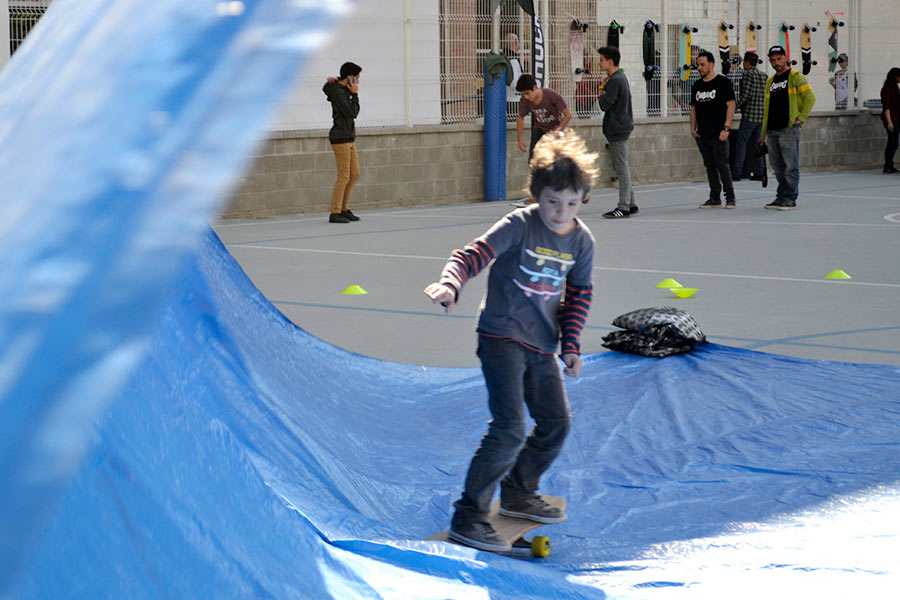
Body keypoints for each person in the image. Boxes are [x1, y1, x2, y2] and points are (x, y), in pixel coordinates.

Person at [423, 130, 597, 552]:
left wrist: (570, 346)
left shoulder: (581, 241)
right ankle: (469, 517)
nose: (560, 212)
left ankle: (519, 491)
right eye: (552, 201)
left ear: (582, 199)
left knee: (556, 422)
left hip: (542, 345)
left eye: (571, 203)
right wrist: (451, 284)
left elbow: (578, 295)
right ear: (537, 195)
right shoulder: (520, 224)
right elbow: (472, 254)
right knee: (510, 427)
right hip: (500, 336)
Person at [760, 45, 816, 210]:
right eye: (773, 60)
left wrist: (801, 118)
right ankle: (781, 195)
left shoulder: (795, 76)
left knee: (790, 165)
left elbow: (810, 97)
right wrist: (763, 132)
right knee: (777, 166)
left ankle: (790, 197)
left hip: (788, 129)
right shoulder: (770, 81)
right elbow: (767, 109)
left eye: (779, 59)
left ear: (785, 58)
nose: (776, 63)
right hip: (772, 129)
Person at [595, 45, 638, 219]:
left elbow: (604, 104)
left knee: (621, 168)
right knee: (621, 166)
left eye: (601, 60)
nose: (599, 63)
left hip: (618, 128)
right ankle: (631, 202)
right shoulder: (620, 77)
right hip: (620, 127)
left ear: (610, 61)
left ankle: (624, 206)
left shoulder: (615, 80)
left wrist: (601, 89)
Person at [690, 50, 737, 208]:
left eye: (702, 65)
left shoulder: (722, 82)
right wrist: (692, 128)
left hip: (719, 133)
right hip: (703, 133)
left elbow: (731, 105)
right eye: (698, 65)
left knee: (722, 165)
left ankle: (730, 197)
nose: (700, 68)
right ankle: (714, 197)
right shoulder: (697, 85)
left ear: (711, 64)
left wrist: (726, 128)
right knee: (710, 166)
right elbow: (694, 108)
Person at [323, 62, 362, 224]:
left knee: (354, 174)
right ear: (350, 78)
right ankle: (335, 212)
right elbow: (352, 112)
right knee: (344, 176)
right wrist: (355, 94)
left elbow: (327, 88)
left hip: (349, 137)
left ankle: (344, 209)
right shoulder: (340, 93)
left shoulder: (341, 89)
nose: (358, 82)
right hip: (340, 138)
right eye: (357, 78)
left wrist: (336, 83)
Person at [516, 74, 572, 159]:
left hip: (555, 128)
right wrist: (520, 139)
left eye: (527, 93)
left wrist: (558, 130)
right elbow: (520, 119)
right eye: (523, 94)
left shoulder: (551, 95)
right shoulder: (525, 101)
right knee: (533, 160)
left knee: (554, 160)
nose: (526, 97)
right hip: (539, 129)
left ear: (534, 87)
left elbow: (568, 115)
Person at [733, 52, 767, 184]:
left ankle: (737, 172)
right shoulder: (764, 75)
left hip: (749, 116)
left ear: (747, 62)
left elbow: (745, 95)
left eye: (743, 62)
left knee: (741, 144)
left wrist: (735, 107)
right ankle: (760, 172)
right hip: (761, 116)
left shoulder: (747, 75)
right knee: (758, 145)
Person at [879, 67, 900, 173]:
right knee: (893, 142)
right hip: (891, 118)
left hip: (897, 117)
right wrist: (890, 122)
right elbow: (886, 107)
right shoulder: (887, 89)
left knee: (894, 142)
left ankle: (889, 164)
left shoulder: (895, 87)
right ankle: (888, 164)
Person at [504, 33, 524, 121]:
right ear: (515, 43)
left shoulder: (504, 57)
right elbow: (514, 81)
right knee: (514, 122)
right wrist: (522, 90)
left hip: (505, 96)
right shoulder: (513, 60)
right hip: (513, 98)